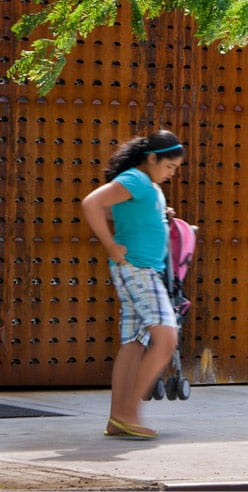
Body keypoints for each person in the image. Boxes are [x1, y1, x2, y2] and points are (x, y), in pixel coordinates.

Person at [79, 130, 188, 440]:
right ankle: (129, 413)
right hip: (139, 271)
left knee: (133, 343)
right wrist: (111, 245)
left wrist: (157, 214)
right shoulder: (136, 180)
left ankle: (117, 418)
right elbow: (92, 203)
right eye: (168, 167)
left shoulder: (145, 185)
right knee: (165, 339)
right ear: (151, 159)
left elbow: (121, 212)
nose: (171, 174)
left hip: (140, 270)